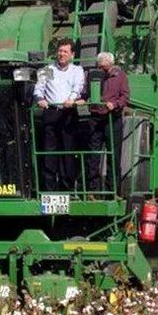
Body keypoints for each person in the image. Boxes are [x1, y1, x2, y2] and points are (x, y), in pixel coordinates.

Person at [33, 38, 85, 191]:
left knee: (68, 152)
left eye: (65, 51)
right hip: (51, 113)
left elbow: (78, 87)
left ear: (72, 54)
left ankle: (66, 189)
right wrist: (40, 99)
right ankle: (49, 189)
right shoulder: (47, 70)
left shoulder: (77, 70)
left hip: (68, 114)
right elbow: (38, 89)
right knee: (49, 152)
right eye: (60, 51)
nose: (61, 54)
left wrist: (72, 99)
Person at [85, 52, 129, 197]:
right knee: (93, 155)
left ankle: (112, 191)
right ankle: (93, 190)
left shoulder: (120, 75)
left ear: (111, 64)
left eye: (105, 67)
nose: (102, 70)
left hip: (113, 118)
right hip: (95, 117)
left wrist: (115, 104)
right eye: (100, 67)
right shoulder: (92, 75)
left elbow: (125, 96)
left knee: (114, 156)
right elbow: (85, 92)